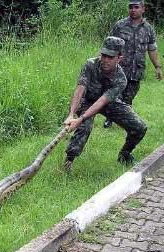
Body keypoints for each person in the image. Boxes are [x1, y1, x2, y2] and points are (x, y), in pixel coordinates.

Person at [63, 36, 147, 172]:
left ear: (119, 58)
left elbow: (103, 101)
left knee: (139, 127)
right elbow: (80, 88)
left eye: (110, 57)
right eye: (104, 55)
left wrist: (80, 118)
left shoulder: (121, 79)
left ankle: (124, 155)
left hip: (109, 103)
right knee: (85, 126)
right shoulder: (90, 64)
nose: (105, 60)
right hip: (88, 101)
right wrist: (72, 114)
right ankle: (68, 161)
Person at [103, 0, 163, 128]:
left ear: (143, 9)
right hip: (120, 68)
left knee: (128, 98)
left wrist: (158, 67)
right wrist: (104, 63)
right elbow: (109, 45)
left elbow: (152, 49)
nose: (133, 10)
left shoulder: (148, 29)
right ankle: (110, 118)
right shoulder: (120, 26)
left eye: (136, 7)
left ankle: (125, 120)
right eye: (131, 7)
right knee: (115, 94)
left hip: (137, 70)